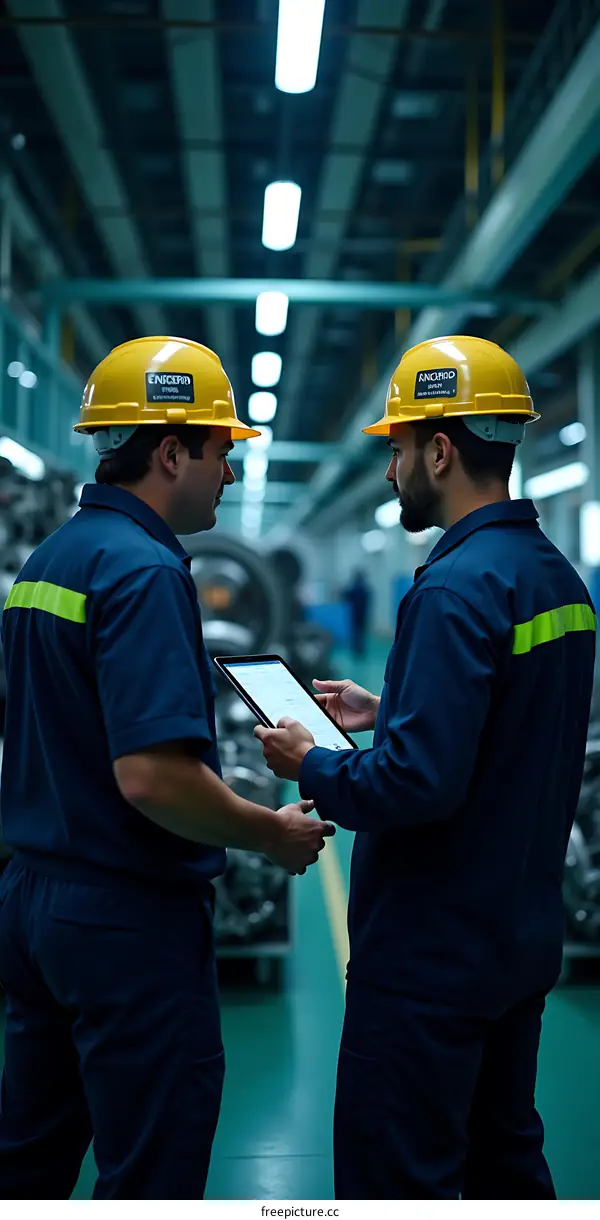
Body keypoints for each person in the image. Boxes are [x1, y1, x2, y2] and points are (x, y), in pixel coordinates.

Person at [254, 335, 596, 1200]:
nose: (391, 469)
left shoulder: (452, 587)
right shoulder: (554, 581)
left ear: (440, 450)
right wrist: (394, 705)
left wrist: (316, 761)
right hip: (513, 939)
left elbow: (415, 786)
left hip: (427, 961)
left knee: (399, 1177)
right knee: (504, 1165)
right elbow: (513, 728)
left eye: (398, 449)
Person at [0, 336, 333, 1201]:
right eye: (221, 451)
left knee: (29, 1161)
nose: (227, 474)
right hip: (125, 918)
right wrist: (270, 832)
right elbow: (151, 777)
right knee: (151, 1171)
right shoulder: (144, 569)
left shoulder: (49, 561)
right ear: (171, 449)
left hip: (34, 902)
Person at [342, 570, 372, 658]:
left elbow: (346, 597)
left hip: (354, 613)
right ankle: (360, 649)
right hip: (362, 614)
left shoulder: (353, 588)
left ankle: (355, 649)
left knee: (355, 632)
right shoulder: (365, 589)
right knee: (361, 632)